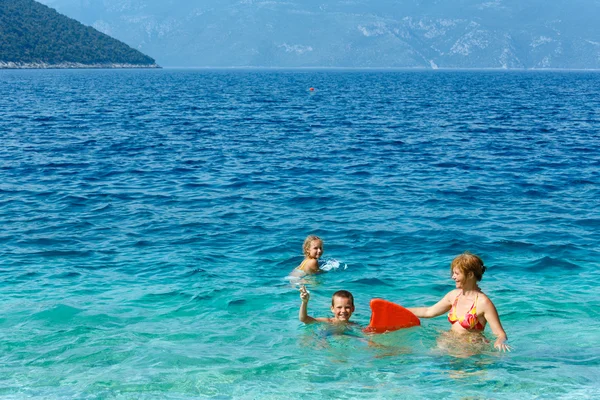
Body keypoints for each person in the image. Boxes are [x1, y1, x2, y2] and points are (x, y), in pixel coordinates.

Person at [407, 252, 511, 352]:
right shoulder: (453, 295)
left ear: (470, 275)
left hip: (470, 348)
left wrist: (499, 342)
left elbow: (500, 334)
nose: (453, 277)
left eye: (456, 273)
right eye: (453, 273)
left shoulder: (483, 303)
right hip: (448, 342)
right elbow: (428, 311)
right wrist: (400, 310)